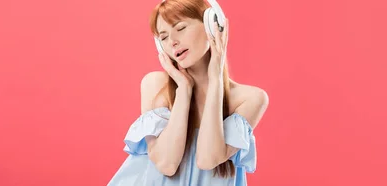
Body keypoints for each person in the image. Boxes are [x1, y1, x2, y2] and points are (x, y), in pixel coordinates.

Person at [108, 0, 269, 185]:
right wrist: (184, 90)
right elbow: (167, 164)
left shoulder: (250, 99)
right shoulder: (154, 85)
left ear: (212, 25)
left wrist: (215, 78)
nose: (172, 42)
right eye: (163, 37)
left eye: (181, 28)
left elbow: (208, 159)